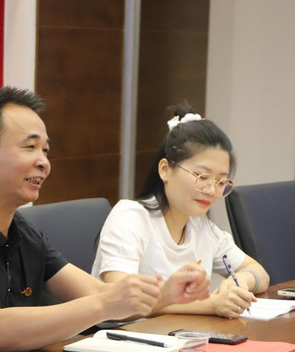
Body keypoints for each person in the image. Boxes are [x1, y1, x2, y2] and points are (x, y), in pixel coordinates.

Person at [0, 87, 210, 352]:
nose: (44, 163)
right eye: (30, 147)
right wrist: (107, 304)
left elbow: (98, 294)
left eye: (45, 151)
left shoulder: (23, 232)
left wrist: (163, 294)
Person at [92, 105, 270, 319]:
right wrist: (210, 305)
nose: (211, 190)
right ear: (165, 170)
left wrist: (238, 282)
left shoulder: (201, 226)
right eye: (202, 177)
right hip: (123, 335)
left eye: (221, 181)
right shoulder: (130, 217)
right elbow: (122, 300)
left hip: (179, 335)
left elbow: (259, 273)